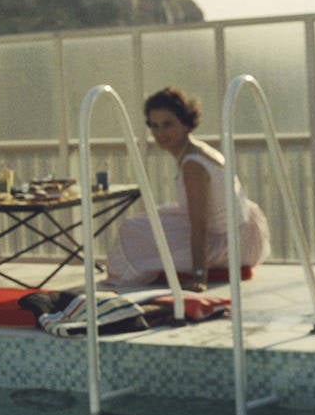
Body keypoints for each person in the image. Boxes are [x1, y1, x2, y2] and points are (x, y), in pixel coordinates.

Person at [106, 86, 271, 291]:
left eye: (168, 124)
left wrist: (199, 276)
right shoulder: (195, 149)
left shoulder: (193, 165)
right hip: (240, 229)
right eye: (155, 126)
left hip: (231, 244)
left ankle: (199, 266)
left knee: (134, 231)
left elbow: (199, 226)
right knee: (143, 222)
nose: (160, 133)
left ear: (185, 124)